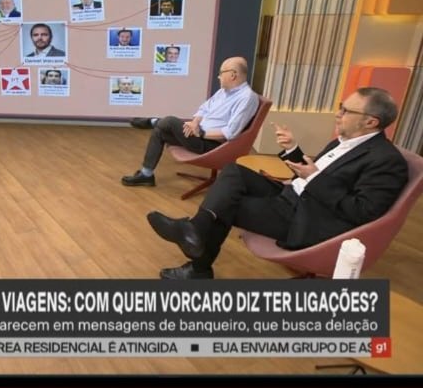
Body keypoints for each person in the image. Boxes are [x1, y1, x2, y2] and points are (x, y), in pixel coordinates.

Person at [147, 87, 408, 279]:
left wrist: (314, 177)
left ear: (371, 121)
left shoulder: (387, 161)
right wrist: (293, 150)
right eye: (341, 106)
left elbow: (362, 211)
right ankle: (195, 231)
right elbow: (315, 171)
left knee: (227, 204)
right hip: (294, 194)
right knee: (234, 171)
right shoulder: (342, 141)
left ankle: (198, 264)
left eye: (346, 110)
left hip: (308, 216)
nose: (338, 114)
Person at [123, 57, 258, 186]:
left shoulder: (246, 98)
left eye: (221, 72)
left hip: (213, 144)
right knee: (160, 131)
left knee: (169, 121)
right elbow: (204, 109)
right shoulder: (223, 92)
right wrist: (195, 123)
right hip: (197, 134)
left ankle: (154, 121)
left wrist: (201, 133)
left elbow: (230, 133)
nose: (219, 76)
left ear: (233, 75)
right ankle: (146, 175)